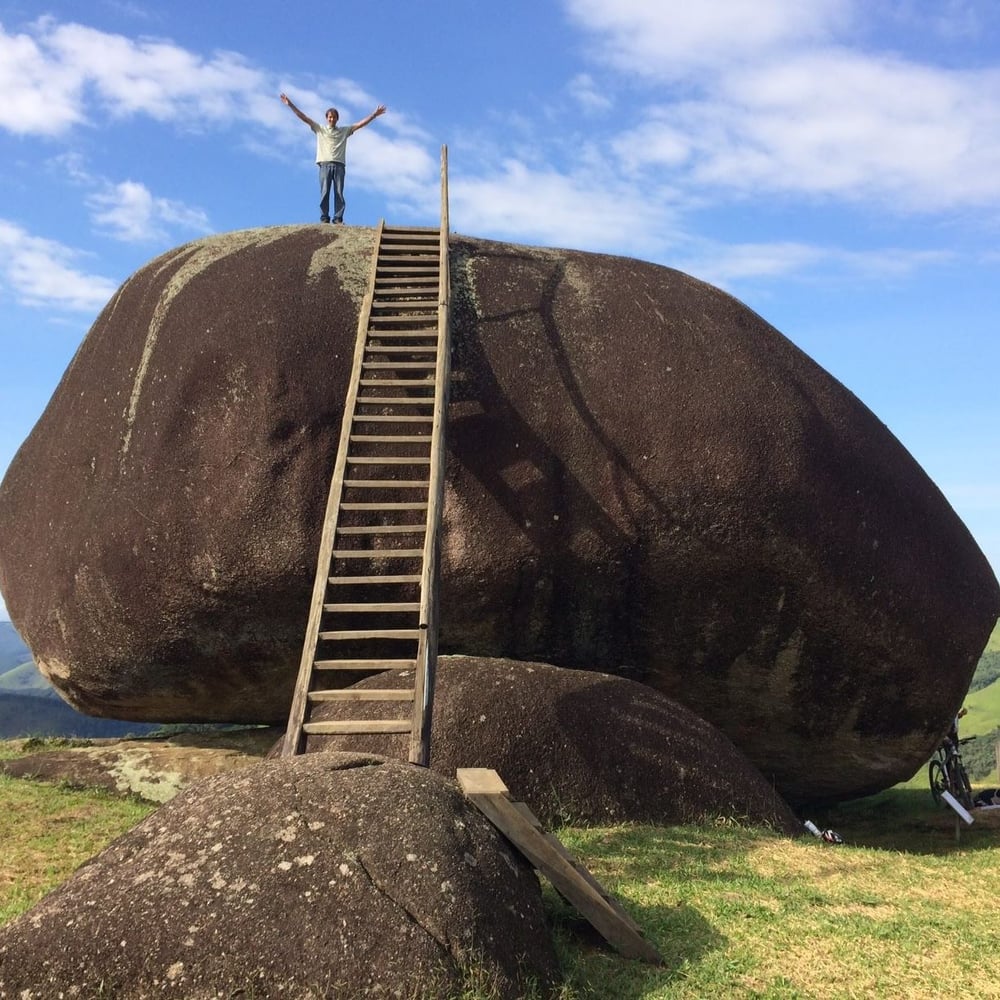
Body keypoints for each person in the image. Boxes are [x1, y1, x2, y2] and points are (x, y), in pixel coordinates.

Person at [280, 93, 387, 224]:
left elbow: (360, 124)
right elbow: (304, 117)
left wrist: (374, 115)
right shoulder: (320, 129)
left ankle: (338, 218)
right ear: (327, 118)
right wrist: (290, 104)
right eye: (330, 117)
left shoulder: (344, 130)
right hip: (324, 164)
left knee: (339, 193)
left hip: (339, 165)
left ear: (337, 119)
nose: (332, 119)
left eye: (334, 117)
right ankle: (324, 218)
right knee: (324, 192)